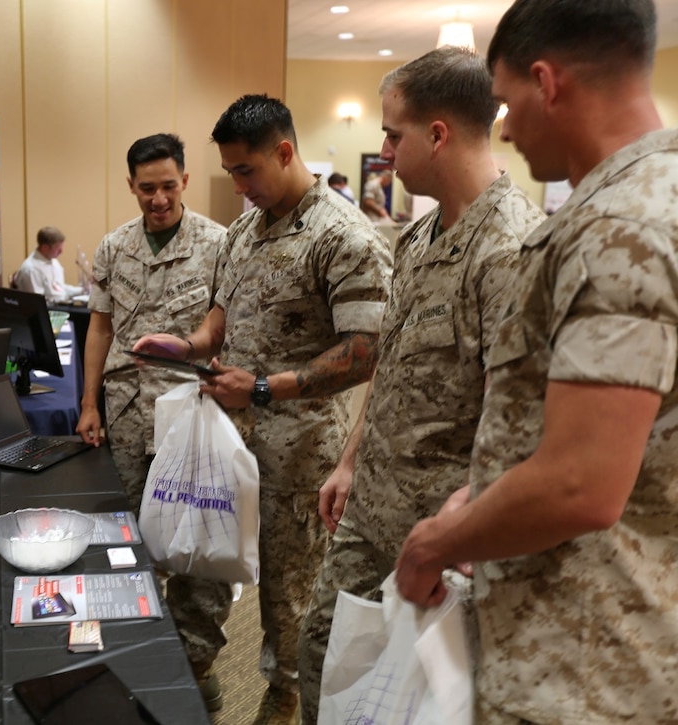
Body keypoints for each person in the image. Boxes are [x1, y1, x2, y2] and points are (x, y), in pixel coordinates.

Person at [394, 2, 678, 723]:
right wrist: (483, 492)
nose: (505, 129)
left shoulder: (621, 226)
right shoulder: (642, 200)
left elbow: (581, 482)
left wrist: (435, 542)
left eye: (505, 102)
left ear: (546, 83)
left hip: (584, 664)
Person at [294, 46, 545, 722]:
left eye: (392, 134)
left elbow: (518, 420)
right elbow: (393, 361)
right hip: (372, 508)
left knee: (418, 702)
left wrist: (458, 536)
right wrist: (350, 460)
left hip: (443, 534)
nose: (383, 151)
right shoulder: (419, 234)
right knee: (324, 659)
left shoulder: (510, 250)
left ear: (437, 135)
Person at [135, 95, 391, 724]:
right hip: (225, 441)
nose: (238, 185)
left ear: (284, 152)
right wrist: (187, 346)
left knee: (289, 593)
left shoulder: (343, 235)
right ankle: (193, 678)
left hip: (298, 455)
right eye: (230, 172)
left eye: (246, 170)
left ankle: (282, 699)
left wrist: (263, 388)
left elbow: (366, 351)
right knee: (199, 568)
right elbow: (221, 318)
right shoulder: (245, 231)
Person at [73, 133, 229, 709]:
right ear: (131, 186)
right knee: (125, 538)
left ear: (184, 180)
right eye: (146, 189)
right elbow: (100, 328)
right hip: (126, 413)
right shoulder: (114, 247)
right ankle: (132, 648)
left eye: (167, 186)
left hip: (191, 415)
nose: (158, 199)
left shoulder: (219, 244)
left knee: (196, 545)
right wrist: (89, 403)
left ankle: (195, 659)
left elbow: (230, 329)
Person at [13, 226, 83, 303]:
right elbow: (38, 302)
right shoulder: (31, 270)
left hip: (60, 302)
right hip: (50, 307)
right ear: (45, 247)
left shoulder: (53, 261)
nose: (61, 252)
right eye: (58, 249)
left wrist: (82, 290)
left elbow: (59, 288)